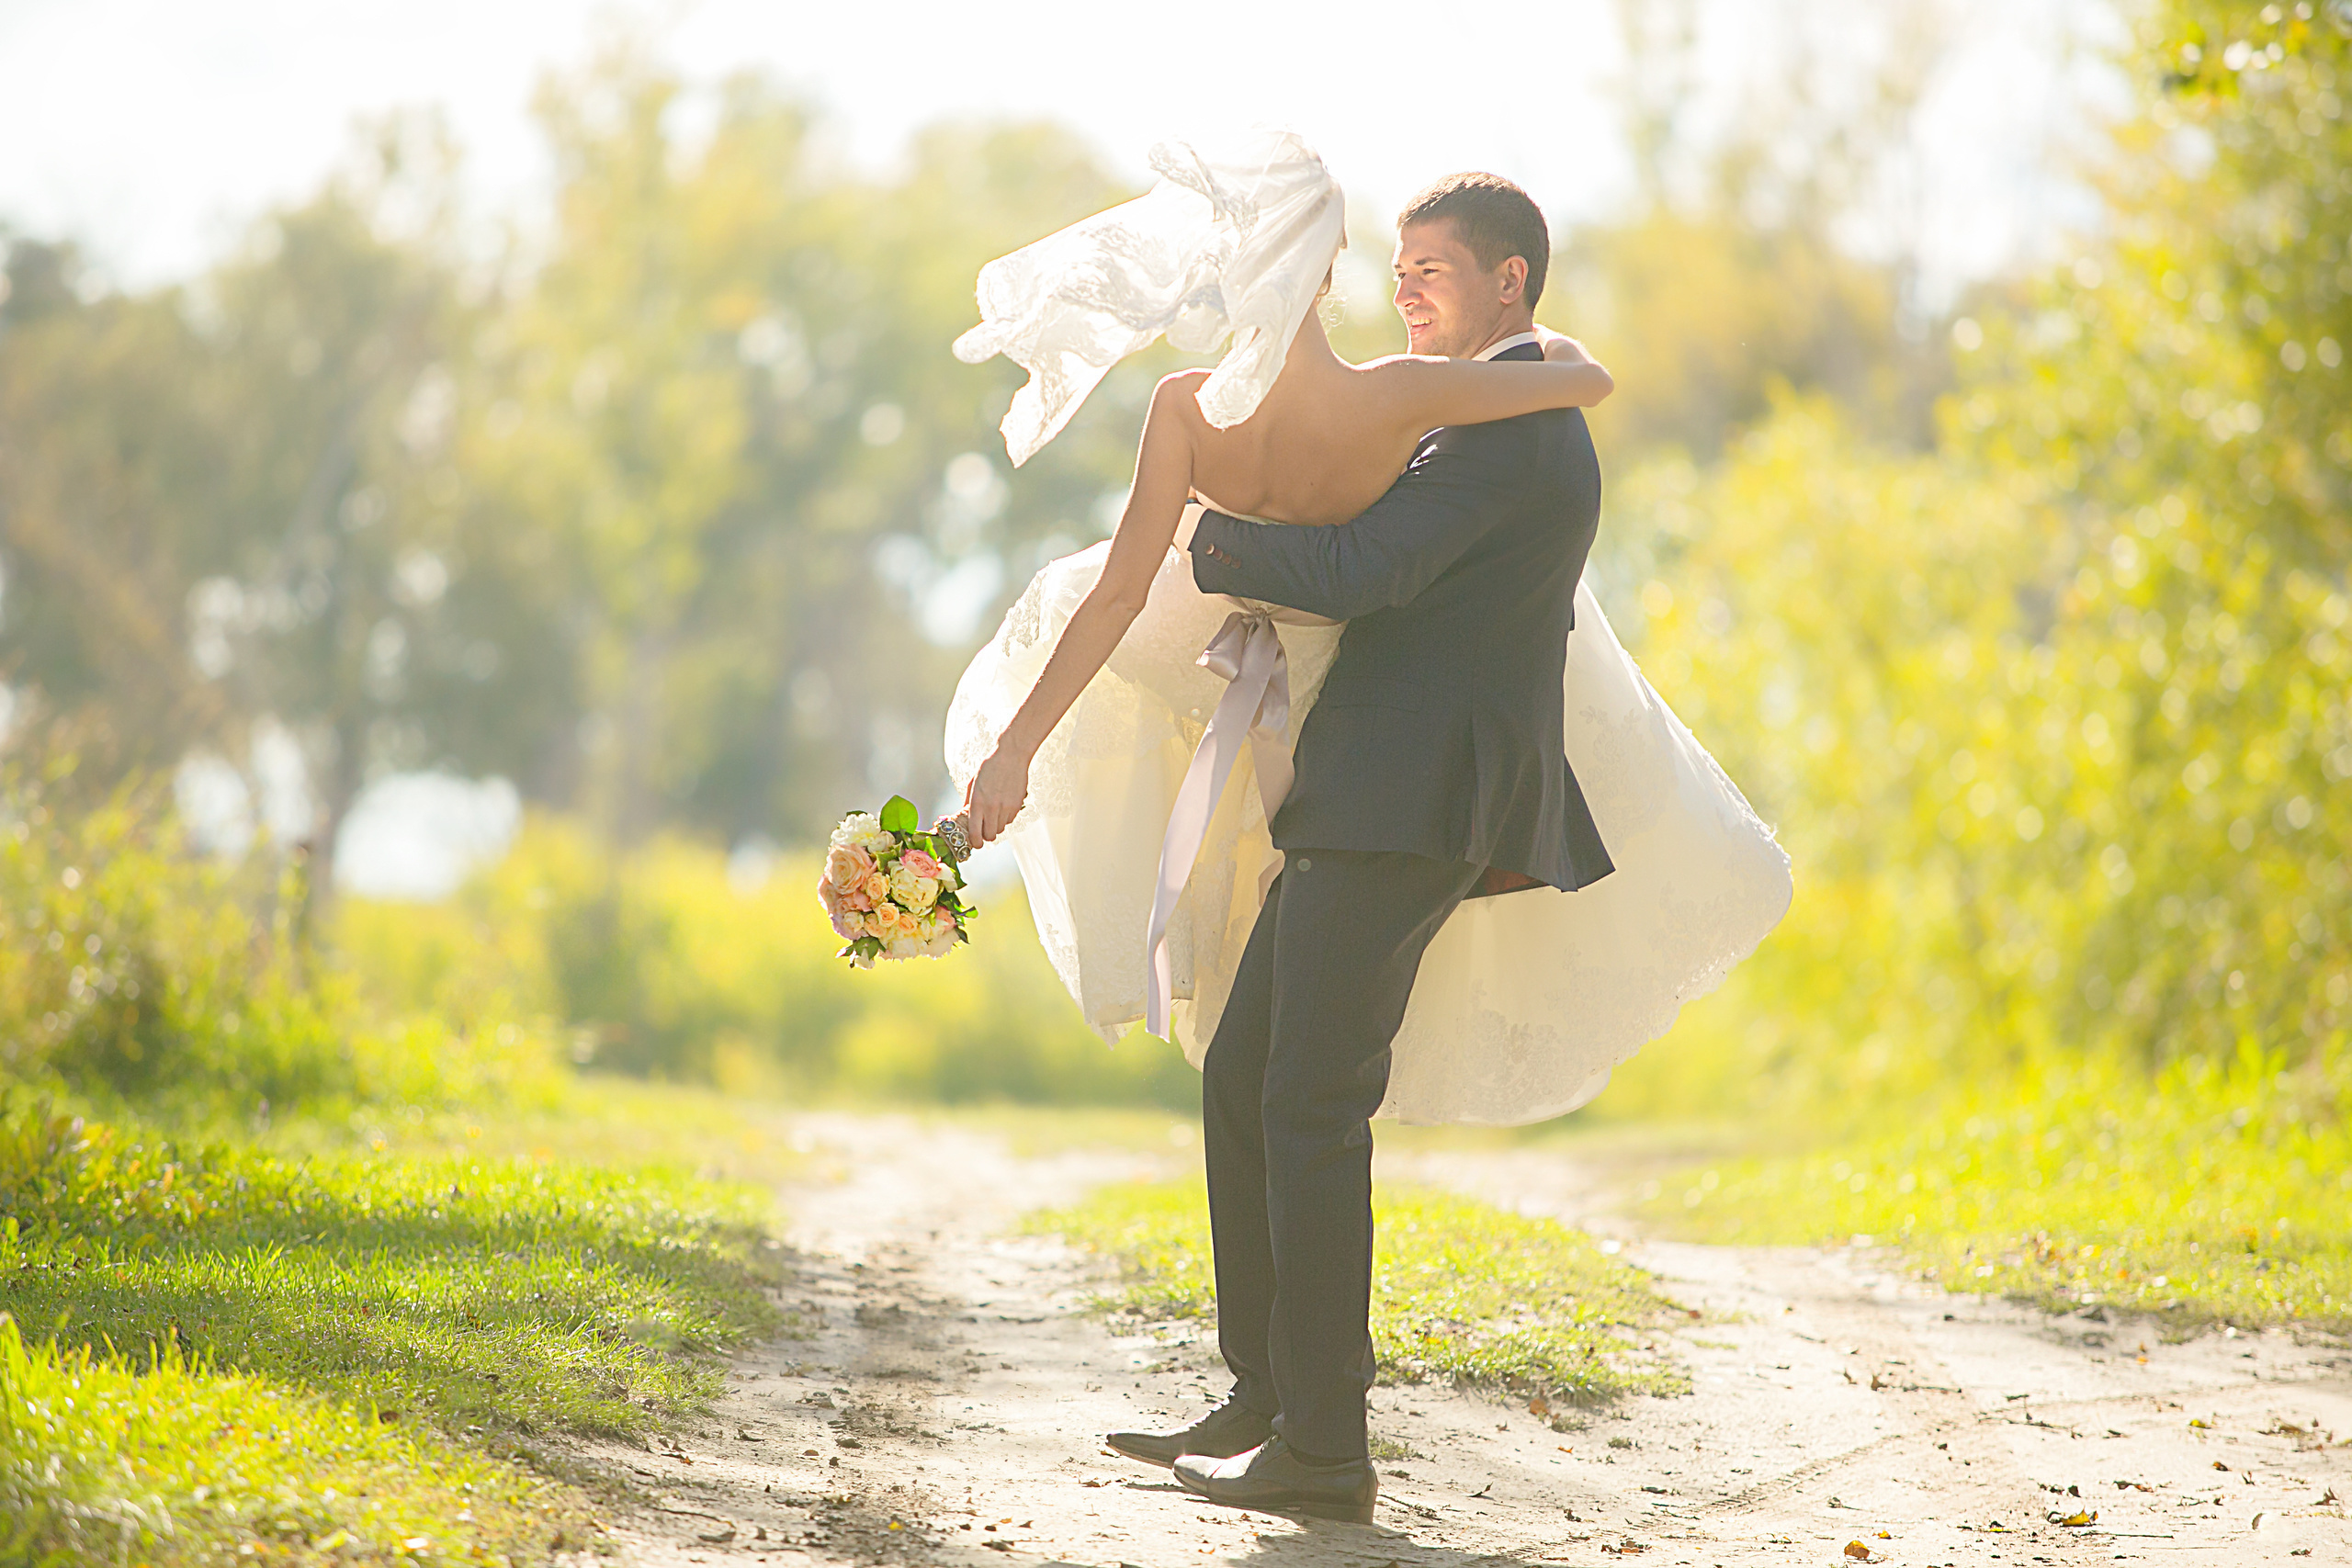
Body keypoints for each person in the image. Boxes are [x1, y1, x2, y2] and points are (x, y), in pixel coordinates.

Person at [944, 136, 1792, 1523]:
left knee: (1313, 1095)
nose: (1406, 292)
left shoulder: (1511, 422)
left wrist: (1205, 545)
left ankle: (1328, 1450)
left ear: (1509, 283)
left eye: (1432, 271)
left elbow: (1369, 567)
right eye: (1395, 269)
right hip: (1366, 786)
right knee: (1247, 1070)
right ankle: (1267, 1392)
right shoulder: (1460, 401)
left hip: (1422, 789)